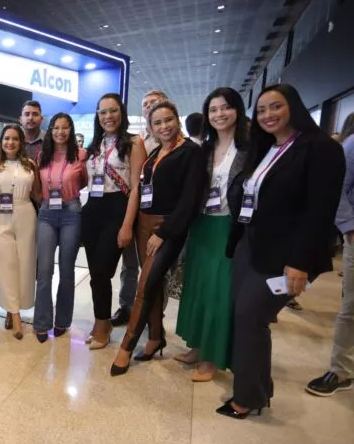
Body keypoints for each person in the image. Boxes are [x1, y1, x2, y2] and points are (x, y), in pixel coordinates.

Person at [218, 84, 344, 418]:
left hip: (286, 253)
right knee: (245, 318)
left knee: (252, 318)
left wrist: (299, 263)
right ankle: (256, 390)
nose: (268, 115)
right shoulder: (266, 148)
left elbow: (320, 212)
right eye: (261, 110)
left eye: (276, 107)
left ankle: (247, 398)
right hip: (251, 244)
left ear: (294, 107)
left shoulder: (320, 148)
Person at [111, 101, 205, 376]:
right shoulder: (155, 152)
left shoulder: (190, 152)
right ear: (150, 127)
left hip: (166, 228)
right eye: (157, 123)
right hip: (143, 224)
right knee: (153, 284)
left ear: (177, 119)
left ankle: (126, 347)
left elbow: (189, 200)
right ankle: (155, 337)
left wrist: (164, 233)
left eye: (168, 120)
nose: (164, 126)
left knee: (144, 286)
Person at [175, 88, 249, 382]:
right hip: (202, 226)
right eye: (213, 109)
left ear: (237, 110)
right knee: (198, 288)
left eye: (225, 107)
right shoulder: (203, 150)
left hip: (229, 228)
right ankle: (197, 345)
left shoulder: (250, 149)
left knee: (220, 293)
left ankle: (212, 357)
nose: (220, 114)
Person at [82, 94, 145, 350]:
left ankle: (103, 325)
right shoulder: (94, 145)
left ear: (122, 113)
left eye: (113, 111)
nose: (108, 116)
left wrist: (127, 225)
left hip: (117, 210)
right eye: (102, 112)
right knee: (95, 275)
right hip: (92, 210)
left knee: (102, 272)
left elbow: (136, 188)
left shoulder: (134, 142)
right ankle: (102, 322)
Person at [111, 89, 170, 327]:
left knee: (155, 265)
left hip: (158, 213)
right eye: (145, 104)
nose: (149, 106)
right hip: (133, 208)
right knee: (129, 264)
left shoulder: (172, 140)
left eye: (154, 102)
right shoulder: (135, 140)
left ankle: (153, 314)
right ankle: (126, 307)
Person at [306, 115, 354, 397]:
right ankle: (341, 369)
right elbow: (337, 189)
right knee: (351, 308)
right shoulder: (351, 145)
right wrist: (350, 227)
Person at [0, 124, 40, 340]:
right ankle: (15, 317)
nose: (10, 142)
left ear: (21, 142)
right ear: (1, 141)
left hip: (26, 215)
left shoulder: (30, 165)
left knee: (25, 265)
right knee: (6, 265)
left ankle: (11, 308)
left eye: (15, 139)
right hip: (0, 217)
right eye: (6, 138)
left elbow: (38, 194)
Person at [33, 112, 88, 343]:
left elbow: (84, 181)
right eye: (56, 127)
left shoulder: (81, 155)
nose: (60, 132)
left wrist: (68, 191)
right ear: (51, 130)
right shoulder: (42, 155)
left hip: (71, 213)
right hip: (46, 213)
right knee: (44, 270)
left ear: (71, 130)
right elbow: (37, 184)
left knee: (66, 271)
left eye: (65, 127)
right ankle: (41, 322)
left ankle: (62, 321)